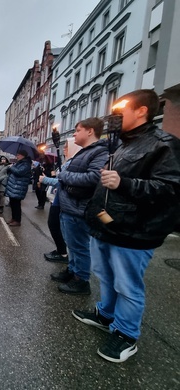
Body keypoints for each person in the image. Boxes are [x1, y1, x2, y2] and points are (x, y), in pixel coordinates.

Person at [74, 90, 180, 363]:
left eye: (122, 109)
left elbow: (170, 189)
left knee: (127, 285)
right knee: (106, 277)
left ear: (142, 111)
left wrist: (125, 183)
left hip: (135, 231)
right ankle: (105, 314)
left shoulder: (163, 144)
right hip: (108, 226)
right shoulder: (122, 145)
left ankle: (126, 334)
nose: (115, 116)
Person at [51, 117, 108, 295]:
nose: (74, 133)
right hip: (69, 207)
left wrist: (64, 176)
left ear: (90, 131)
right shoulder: (84, 152)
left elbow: (94, 178)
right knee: (72, 245)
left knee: (80, 247)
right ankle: (73, 270)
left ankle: (81, 280)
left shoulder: (99, 152)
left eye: (77, 130)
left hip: (79, 207)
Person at [39, 139, 78, 264]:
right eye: (64, 147)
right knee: (54, 225)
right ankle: (61, 250)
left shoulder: (74, 162)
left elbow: (63, 182)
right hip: (58, 198)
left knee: (56, 226)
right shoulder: (67, 162)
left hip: (64, 200)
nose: (64, 149)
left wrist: (46, 180)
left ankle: (63, 253)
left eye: (67, 147)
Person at [5, 150, 32, 226]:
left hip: (19, 187)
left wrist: (11, 167)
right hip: (14, 186)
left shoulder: (26, 164)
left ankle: (17, 220)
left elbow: (19, 172)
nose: (17, 156)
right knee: (13, 204)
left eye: (18, 155)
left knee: (16, 204)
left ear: (23, 155)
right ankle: (13, 218)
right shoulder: (19, 163)